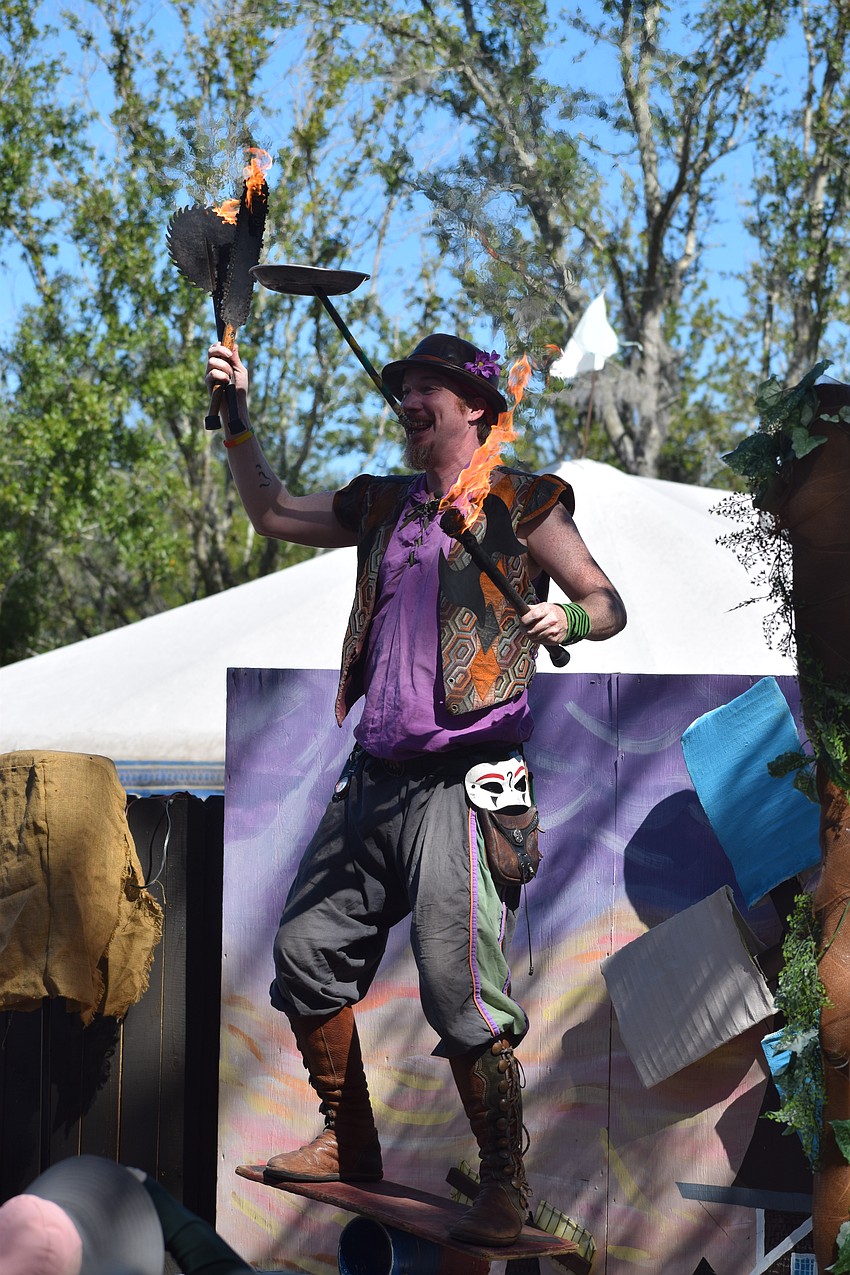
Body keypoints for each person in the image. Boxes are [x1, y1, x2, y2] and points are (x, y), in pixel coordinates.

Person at [205, 331, 626, 1246]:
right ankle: (350, 1140)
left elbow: (605, 601)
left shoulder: (520, 500)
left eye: (426, 387)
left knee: (459, 987)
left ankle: (504, 1182)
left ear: (474, 405)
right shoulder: (385, 504)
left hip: (465, 786)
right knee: (307, 950)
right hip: (374, 780)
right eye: (403, 389)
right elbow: (271, 510)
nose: (408, 400)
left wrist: (571, 618)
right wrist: (236, 416)